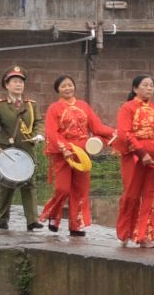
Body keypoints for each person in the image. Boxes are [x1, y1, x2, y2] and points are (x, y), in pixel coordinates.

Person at [40, 74, 113, 237]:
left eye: (70, 85)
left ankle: (76, 224)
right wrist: (64, 148)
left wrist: (114, 133)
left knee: (80, 189)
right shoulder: (54, 108)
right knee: (62, 189)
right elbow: (51, 132)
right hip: (63, 154)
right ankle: (53, 215)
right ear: (58, 90)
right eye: (63, 86)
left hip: (82, 154)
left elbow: (97, 127)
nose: (68, 88)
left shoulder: (83, 106)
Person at [113, 74, 154, 248]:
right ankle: (126, 231)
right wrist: (141, 152)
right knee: (131, 195)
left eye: (151, 85)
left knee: (151, 195)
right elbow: (125, 133)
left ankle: (145, 235)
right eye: (145, 85)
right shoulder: (127, 108)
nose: (149, 88)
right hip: (134, 158)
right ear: (135, 88)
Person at [0, 67, 39, 232]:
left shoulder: (31, 105)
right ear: (7, 85)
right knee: (7, 186)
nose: (18, 85)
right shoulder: (0, 106)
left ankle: (32, 220)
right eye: (15, 81)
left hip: (27, 148)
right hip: (8, 150)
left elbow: (39, 122)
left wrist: (39, 134)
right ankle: (3, 218)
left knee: (29, 184)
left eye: (21, 82)